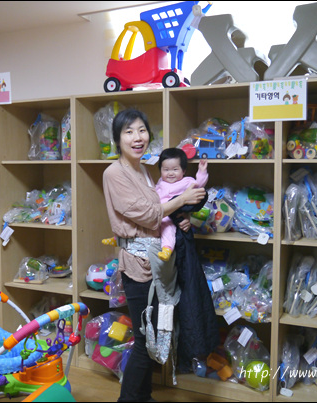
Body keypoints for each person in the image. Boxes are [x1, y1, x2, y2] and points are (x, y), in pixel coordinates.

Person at [102, 108, 206, 402]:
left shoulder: (144, 170)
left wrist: (181, 218)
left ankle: (143, 397)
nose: (137, 137)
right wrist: (182, 200)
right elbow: (149, 215)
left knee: (154, 336)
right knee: (143, 339)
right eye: (129, 132)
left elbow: (160, 213)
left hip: (156, 261)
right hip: (138, 265)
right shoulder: (114, 173)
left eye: (142, 130)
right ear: (117, 139)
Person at [154, 148, 208, 261]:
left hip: (171, 215)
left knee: (168, 227)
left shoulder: (186, 181)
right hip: (157, 213)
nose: (170, 173)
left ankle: (167, 248)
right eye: (166, 170)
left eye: (175, 169)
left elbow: (198, 186)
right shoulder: (160, 182)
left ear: (183, 171)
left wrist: (202, 172)